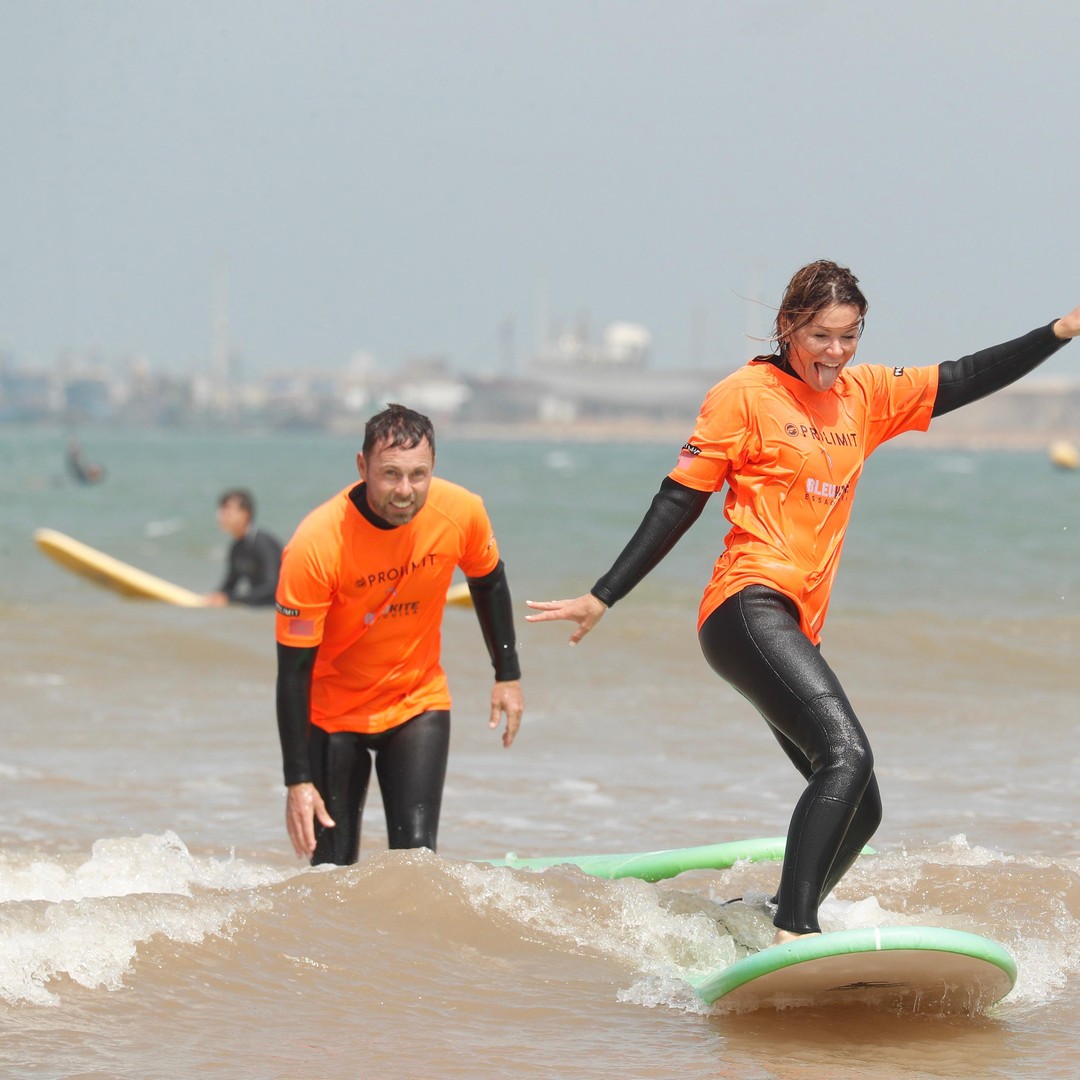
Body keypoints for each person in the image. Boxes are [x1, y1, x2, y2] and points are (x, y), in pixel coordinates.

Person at [525, 260, 1080, 946]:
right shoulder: (744, 395)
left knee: (861, 806)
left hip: (793, 623)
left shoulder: (866, 395)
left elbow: (964, 377)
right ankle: (796, 930)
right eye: (822, 336)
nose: (837, 353)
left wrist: (1064, 328)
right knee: (846, 758)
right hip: (745, 606)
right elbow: (680, 499)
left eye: (850, 336)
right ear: (789, 326)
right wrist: (603, 594)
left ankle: (765, 918)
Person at [274, 403, 524, 865]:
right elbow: (292, 672)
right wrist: (297, 780)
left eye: (418, 475)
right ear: (362, 466)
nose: (405, 491)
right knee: (331, 873)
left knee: (416, 867)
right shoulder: (316, 544)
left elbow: (488, 581)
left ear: (433, 470)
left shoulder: (461, 512)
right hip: (333, 716)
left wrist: (507, 675)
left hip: (416, 703)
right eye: (390, 474)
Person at [205, 489, 283, 607]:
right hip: (261, 609)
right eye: (221, 510)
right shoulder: (237, 547)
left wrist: (233, 600)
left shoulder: (263, 544)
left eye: (228, 511)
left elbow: (272, 586)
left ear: (245, 514)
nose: (221, 516)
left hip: (283, 611)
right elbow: (230, 584)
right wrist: (216, 596)